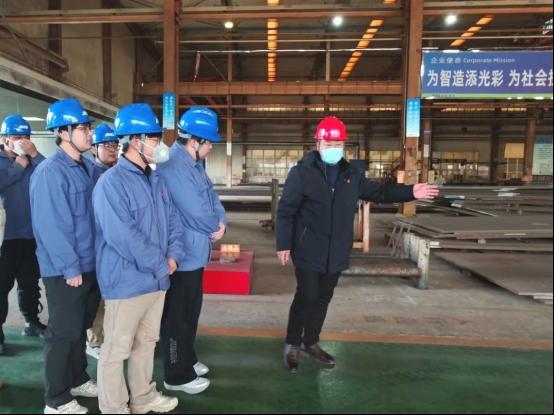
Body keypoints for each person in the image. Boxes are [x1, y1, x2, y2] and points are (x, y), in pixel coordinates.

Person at [276, 116, 440, 373]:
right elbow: (286, 211)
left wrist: (411, 192)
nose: (334, 148)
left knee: (324, 297)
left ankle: (311, 342)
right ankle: (293, 344)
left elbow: (380, 192)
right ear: (317, 144)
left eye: (338, 144)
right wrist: (283, 244)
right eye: (329, 143)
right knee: (306, 296)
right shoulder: (302, 173)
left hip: (337, 249)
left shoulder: (351, 175)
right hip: (308, 247)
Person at [93, 103, 183, 414]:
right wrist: (161, 264)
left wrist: (174, 255)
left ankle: (143, 397)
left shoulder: (157, 180)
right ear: (134, 140)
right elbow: (123, 236)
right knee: (116, 350)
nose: (160, 145)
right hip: (126, 282)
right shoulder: (111, 183)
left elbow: (174, 222)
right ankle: (114, 407)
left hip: (157, 280)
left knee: (146, 343)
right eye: (155, 138)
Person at [30, 98, 100, 414]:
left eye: (88, 127)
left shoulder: (87, 168)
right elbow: (51, 226)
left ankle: (77, 378)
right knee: (62, 333)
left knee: (79, 327)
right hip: (65, 270)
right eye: (82, 128)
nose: (89, 133)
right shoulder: (50, 172)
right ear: (63, 132)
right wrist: (70, 266)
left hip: (89, 263)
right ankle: (56, 399)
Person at [157, 107, 227, 395]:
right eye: (209, 142)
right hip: (181, 256)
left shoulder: (194, 165)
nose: (212, 147)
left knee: (190, 313)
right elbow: (195, 209)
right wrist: (215, 224)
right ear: (195, 141)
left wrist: (222, 221)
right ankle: (176, 375)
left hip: (195, 254)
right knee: (177, 317)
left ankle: (188, 358)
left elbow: (212, 197)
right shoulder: (174, 165)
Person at [0, 115, 47, 356]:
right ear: (4, 139)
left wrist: (34, 155)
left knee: (30, 283)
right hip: (4, 239)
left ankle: (31, 321)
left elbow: (51, 173)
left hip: (30, 236)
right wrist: (19, 165)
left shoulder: (34, 161)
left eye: (26, 137)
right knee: (1, 286)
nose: (23, 142)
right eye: (18, 137)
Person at [86, 123, 119, 360]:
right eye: (106, 145)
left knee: (110, 297)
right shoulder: (89, 174)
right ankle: (94, 340)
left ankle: (108, 336)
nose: (112, 149)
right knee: (96, 298)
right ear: (93, 148)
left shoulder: (118, 174)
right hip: (95, 247)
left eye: (115, 145)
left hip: (113, 246)